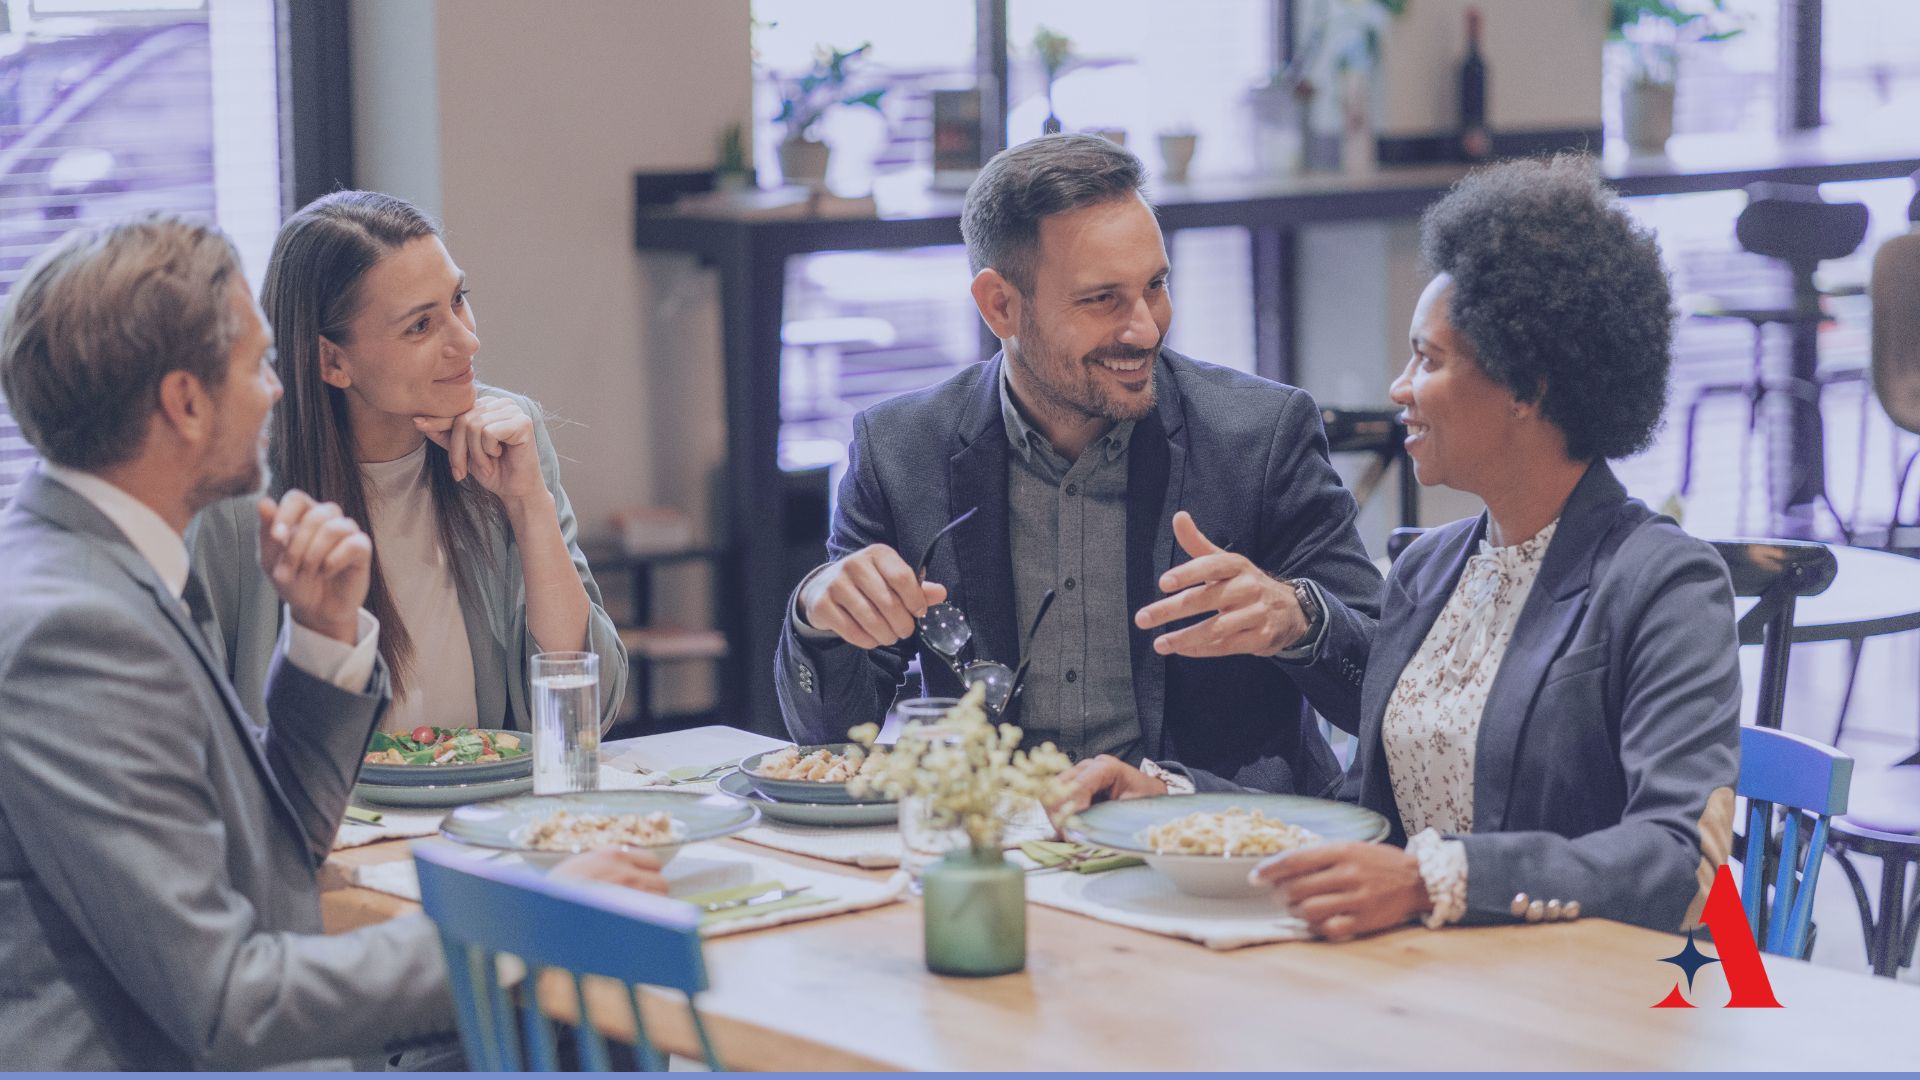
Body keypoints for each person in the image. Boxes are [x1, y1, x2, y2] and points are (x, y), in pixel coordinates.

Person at [0, 217, 664, 1070]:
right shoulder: (76, 628)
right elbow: (230, 1004)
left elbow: (268, 858)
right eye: (255, 365)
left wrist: (319, 646)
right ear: (184, 403)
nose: (277, 394)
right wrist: (526, 922)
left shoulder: (99, 567)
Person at [775, 134, 1382, 796]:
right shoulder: (901, 449)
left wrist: (1298, 619)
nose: (1145, 328)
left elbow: (1387, 691)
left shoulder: (1259, 435)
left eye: (1155, 286)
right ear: (1000, 305)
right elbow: (831, 740)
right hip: (994, 843)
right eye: (1103, 300)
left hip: (1211, 844)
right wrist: (818, 612)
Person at [1252, 157, 1740, 938]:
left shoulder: (1665, 582)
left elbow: (1677, 856)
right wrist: (1170, 805)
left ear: (1530, 388)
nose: (1400, 387)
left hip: (1591, 1012)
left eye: (1430, 358)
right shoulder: (1426, 569)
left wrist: (1433, 880)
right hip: (1418, 986)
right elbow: (1358, 818)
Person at [190, 191, 626, 734]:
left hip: (482, 807)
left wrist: (529, 506)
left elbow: (588, 713)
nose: (467, 341)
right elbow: (193, 731)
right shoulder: (233, 491)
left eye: (459, 299)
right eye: (420, 326)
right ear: (333, 361)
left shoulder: (509, 435)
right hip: (323, 817)